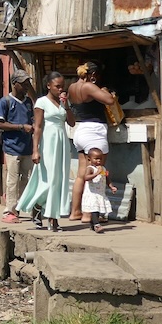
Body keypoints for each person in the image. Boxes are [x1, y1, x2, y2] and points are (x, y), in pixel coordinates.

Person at [16, 71, 73, 231]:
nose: (60, 89)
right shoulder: (41, 102)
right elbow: (38, 127)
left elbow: (72, 123)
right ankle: (39, 208)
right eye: (57, 86)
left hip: (62, 143)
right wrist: (35, 150)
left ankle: (53, 218)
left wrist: (66, 105)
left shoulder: (62, 103)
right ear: (48, 86)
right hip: (48, 143)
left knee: (59, 180)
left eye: (63, 86)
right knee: (49, 180)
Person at [68, 61, 116, 220]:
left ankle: (75, 211)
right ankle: (88, 213)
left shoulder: (72, 87)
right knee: (96, 174)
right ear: (93, 75)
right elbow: (109, 100)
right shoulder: (88, 86)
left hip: (81, 131)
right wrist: (104, 90)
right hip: (94, 132)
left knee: (82, 174)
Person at [0, 72, 35, 224]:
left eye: (27, 84)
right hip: (12, 147)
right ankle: (9, 211)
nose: (26, 87)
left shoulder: (28, 102)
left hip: (27, 147)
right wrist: (20, 127)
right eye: (23, 84)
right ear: (14, 83)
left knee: (26, 179)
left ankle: (20, 206)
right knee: (12, 180)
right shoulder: (5, 102)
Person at [79, 147, 114, 233]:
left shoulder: (103, 168)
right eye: (96, 159)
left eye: (100, 159)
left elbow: (107, 178)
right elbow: (86, 177)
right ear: (89, 159)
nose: (98, 161)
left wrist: (111, 186)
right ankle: (96, 225)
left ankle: (92, 224)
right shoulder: (90, 168)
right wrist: (96, 173)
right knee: (95, 210)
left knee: (97, 209)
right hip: (92, 193)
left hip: (100, 193)